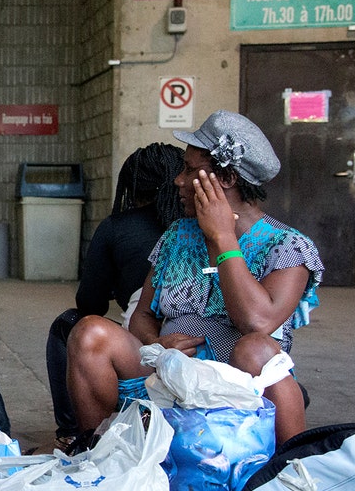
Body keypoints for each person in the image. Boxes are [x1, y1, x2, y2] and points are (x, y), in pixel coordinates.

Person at [67, 110, 323, 446]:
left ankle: (288, 469)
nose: (178, 181)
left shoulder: (288, 247)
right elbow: (142, 316)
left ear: (227, 179)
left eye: (189, 170)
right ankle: (97, 452)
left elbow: (257, 321)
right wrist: (156, 344)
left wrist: (223, 239)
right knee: (89, 332)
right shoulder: (177, 235)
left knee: (257, 348)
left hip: (237, 385)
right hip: (167, 375)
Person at [47, 143, 184, 450]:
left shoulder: (118, 227)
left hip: (154, 355)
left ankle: (74, 431)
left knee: (70, 325)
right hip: (188, 350)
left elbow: (90, 304)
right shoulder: (194, 229)